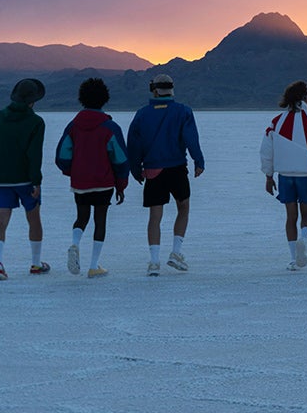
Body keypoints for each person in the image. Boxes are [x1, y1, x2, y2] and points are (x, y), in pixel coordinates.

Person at [0, 78, 49, 280]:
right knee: (34, 219)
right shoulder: (35, 122)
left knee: (1, 221)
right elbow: (34, 154)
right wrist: (36, 181)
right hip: (24, 179)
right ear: (33, 101)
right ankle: (36, 264)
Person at [126, 74, 205, 277]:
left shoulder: (142, 114)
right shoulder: (183, 111)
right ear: (172, 89)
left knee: (155, 217)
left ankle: (154, 262)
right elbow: (191, 138)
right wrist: (199, 161)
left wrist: (135, 169)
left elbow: (134, 145)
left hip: (153, 171)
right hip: (177, 168)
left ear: (154, 90)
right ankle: (176, 253)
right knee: (183, 208)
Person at [55, 78, 129, 278]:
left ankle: (74, 244)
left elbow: (62, 156)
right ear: (104, 99)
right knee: (100, 220)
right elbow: (121, 160)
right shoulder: (110, 127)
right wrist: (121, 185)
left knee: (81, 216)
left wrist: (74, 171)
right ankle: (94, 266)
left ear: (82, 99)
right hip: (103, 183)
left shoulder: (73, 126)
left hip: (80, 183)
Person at [260, 81, 307, 270]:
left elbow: (266, 151)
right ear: (304, 98)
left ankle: (293, 259)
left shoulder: (276, 122)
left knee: (290, 217)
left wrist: (269, 176)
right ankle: (304, 239)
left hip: (285, 176)